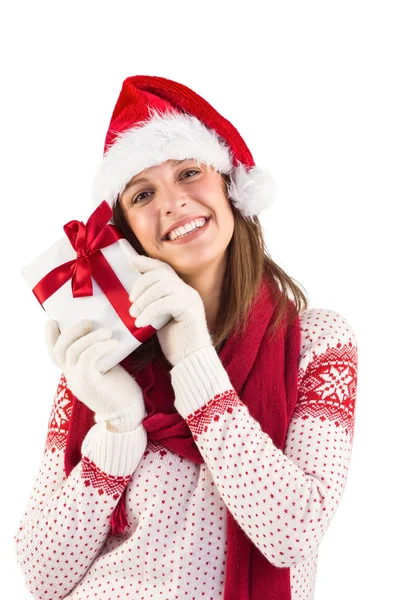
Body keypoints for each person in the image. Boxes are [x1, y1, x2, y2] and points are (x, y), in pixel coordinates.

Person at [14, 75, 358, 600]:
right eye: (143, 193)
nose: (173, 203)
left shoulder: (318, 344)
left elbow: (291, 535)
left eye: (190, 172)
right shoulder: (103, 361)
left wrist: (196, 362)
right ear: (127, 229)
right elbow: (43, 574)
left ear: (229, 187)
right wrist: (118, 426)